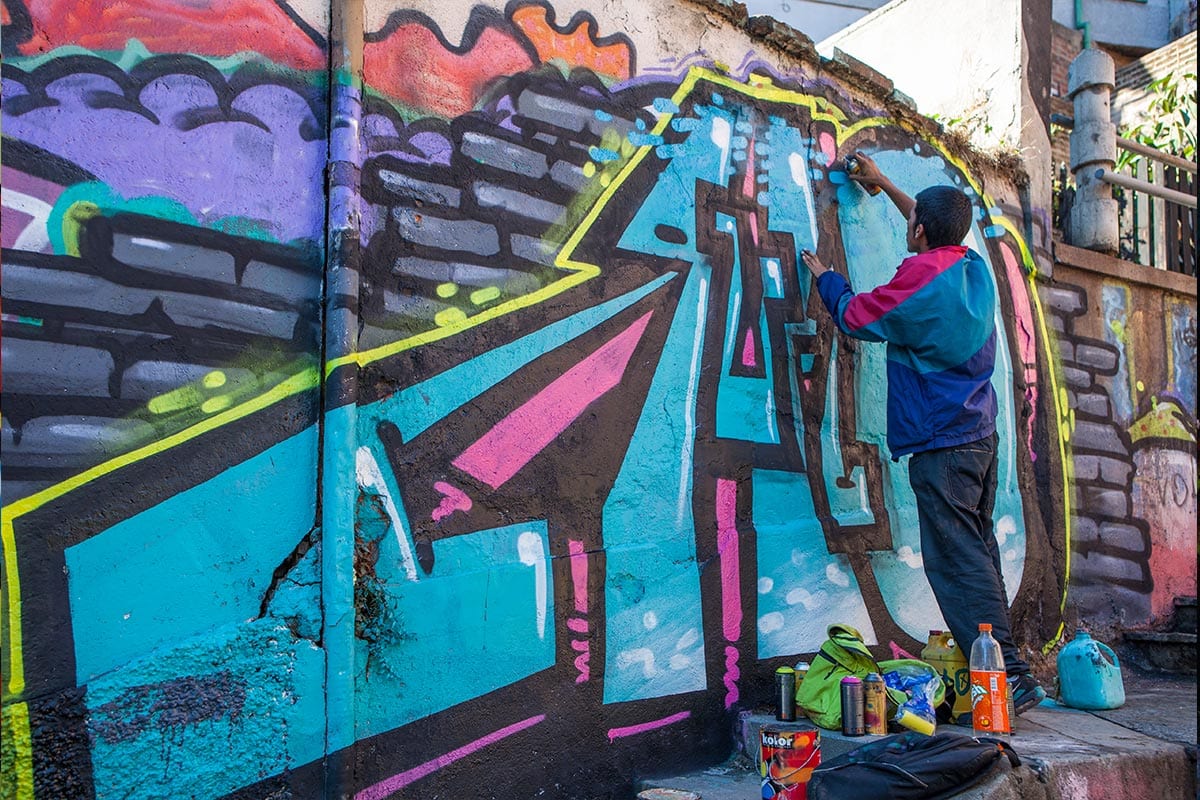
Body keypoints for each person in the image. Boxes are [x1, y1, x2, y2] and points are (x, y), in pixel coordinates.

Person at [799, 151, 1046, 717]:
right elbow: (937, 231)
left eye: (915, 223)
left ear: (920, 231)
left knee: (956, 563)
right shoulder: (972, 267)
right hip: (980, 438)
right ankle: (1011, 670)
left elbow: (858, 317)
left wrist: (826, 279)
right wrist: (884, 184)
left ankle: (1008, 674)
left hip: (941, 444)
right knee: (977, 555)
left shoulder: (917, 281)